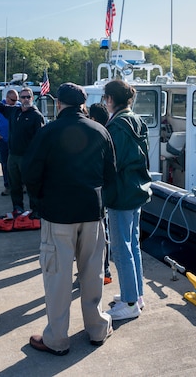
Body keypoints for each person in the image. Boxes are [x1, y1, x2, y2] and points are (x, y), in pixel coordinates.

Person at [21, 83, 116, 355]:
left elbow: (30, 172)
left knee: (58, 276)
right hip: (92, 212)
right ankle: (97, 328)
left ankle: (57, 339)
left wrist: (40, 201)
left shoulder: (48, 132)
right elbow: (111, 174)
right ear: (84, 105)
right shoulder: (101, 131)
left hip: (58, 214)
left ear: (59, 103)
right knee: (93, 272)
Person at [102, 79, 151, 321]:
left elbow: (113, 163)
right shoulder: (137, 120)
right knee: (133, 245)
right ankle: (136, 295)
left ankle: (130, 303)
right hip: (136, 190)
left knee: (121, 249)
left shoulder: (117, 125)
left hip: (121, 193)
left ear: (110, 100)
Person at [0, 86, 44, 216]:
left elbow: (41, 139)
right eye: (23, 97)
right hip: (13, 155)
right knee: (15, 185)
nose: (25, 99)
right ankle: (17, 208)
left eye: (28, 97)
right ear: (20, 98)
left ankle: (36, 210)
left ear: (32, 98)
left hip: (28, 157)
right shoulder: (14, 111)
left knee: (32, 185)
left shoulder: (36, 116)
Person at [88, 102, 112, 285]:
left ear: (94, 118)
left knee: (98, 237)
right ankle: (106, 270)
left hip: (95, 194)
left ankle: (102, 270)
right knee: (105, 234)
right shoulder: (109, 134)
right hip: (106, 192)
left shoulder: (95, 136)